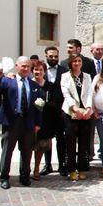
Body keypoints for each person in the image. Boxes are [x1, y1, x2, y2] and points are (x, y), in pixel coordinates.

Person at [0, 56, 43, 189]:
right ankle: (4, 177)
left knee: (26, 150)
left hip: (28, 122)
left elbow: (38, 107)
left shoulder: (34, 85)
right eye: (23, 66)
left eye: (28, 66)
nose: (26, 69)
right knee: (8, 150)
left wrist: (38, 123)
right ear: (17, 66)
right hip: (12, 121)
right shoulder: (8, 81)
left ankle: (25, 176)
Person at [60, 53, 94, 180]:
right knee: (70, 141)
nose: (77, 63)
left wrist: (89, 108)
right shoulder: (65, 77)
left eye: (79, 61)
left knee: (84, 141)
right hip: (70, 112)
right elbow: (66, 94)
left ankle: (82, 168)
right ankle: (71, 169)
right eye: (74, 61)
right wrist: (75, 108)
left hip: (85, 112)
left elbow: (90, 93)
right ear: (70, 63)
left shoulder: (87, 77)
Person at [31, 61, 60, 180]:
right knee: (28, 146)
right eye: (36, 70)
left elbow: (56, 103)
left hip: (45, 121)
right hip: (30, 120)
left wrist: (44, 104)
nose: (38, 72)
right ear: (32, 71)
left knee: (41, 146)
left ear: (44, 71)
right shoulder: (29, 84)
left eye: (40, 70)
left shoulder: (50, 86)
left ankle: (36, 168)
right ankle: (25, 169)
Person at [40, 46, 67, 176]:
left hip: (60, 110)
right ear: (46, 56)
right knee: (46, 138)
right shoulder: (41, 70)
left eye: (56, 56)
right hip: (45, 110)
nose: (54, 59)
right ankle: (47, 164)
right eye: (51, 56)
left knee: (61, 138)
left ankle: (62, 165)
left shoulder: (64, 71)